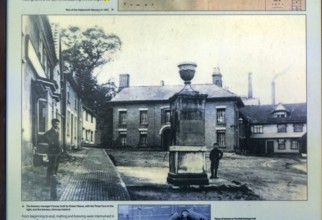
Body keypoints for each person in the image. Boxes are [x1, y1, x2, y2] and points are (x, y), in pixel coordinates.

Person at [43, 118, 61, 185]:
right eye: (56, 123)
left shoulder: (57, 131)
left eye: (58, 123)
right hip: (51, 151)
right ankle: (48, 181)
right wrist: (51, 143)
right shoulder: (49, 132)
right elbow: (44, 136)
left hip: (57, 152)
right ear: (52, 124)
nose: (57, 125)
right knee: (51, 166)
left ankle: (54, 180)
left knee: (56, 166)